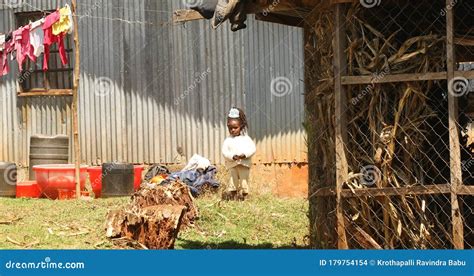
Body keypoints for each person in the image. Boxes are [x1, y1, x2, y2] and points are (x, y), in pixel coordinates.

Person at [222, 107, 256, 200]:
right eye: (230, 128)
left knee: (244, 181)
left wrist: (245, 155)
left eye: (235, 127)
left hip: (244, 165)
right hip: (233, 165)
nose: (232, 130)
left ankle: (245, 197)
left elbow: (252, 149)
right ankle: (233, 198)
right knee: (233, 181)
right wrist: (232, 157)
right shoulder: (228, 140)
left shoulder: (246, 139)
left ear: (241, 126)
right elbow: (225, 152)